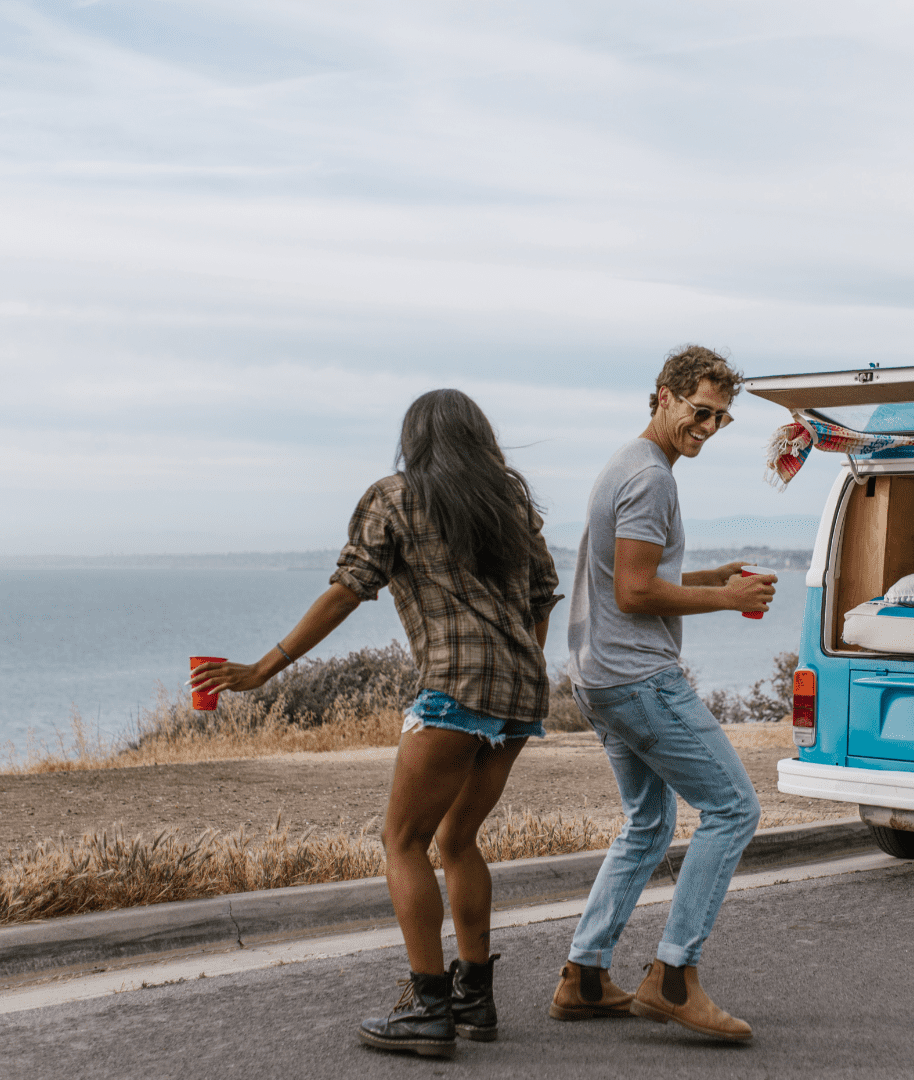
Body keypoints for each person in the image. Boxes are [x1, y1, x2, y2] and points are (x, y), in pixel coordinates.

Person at [191, 389, 560, 1059]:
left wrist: (265, 668)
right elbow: (541, 597)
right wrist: (518, 670)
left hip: (454, 686)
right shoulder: (508, 500)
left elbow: (349, 588)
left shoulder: (395, 496)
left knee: (402, 840)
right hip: (523, 690)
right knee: (458, 840)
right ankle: (476, 1000)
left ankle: (428, 1008)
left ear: (414, 438)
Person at [547, 344, 774, 1043]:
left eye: (722, 419)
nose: (708, 427)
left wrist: (707, 579)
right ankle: (673, 977)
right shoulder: (652, 479)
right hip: (640, 678)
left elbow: (635, 571)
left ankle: (584, 976)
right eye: (700, 412)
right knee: (733, 809)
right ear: (664, 396)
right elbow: (636, 590)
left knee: (648, 824)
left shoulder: (628, 464)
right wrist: (730, 601)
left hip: (599, 676)